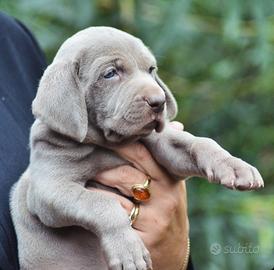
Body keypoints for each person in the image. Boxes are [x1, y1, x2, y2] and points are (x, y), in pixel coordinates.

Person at [0, 11, 194, 270]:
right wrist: (111, 218)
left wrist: (174, 258)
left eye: (149, 70)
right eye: (111, 72)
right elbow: (46, 194)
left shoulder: (12, 40)